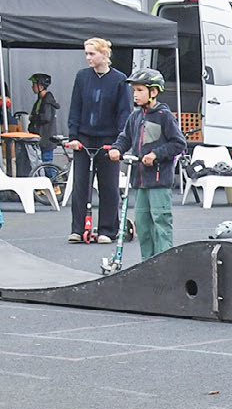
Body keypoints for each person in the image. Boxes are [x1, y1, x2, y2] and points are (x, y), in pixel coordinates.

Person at [108, 69, 186, 259]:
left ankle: (164, 263)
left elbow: (179, 143)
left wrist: (156, 154)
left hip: (158, 181)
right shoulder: (135, 116)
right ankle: (147, 263)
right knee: (142, 225)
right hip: (139, 181)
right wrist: (117, 148)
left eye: (140, 90)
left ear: (154, 92)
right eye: (134, 90)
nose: (135, 94)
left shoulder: (164, 116)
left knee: (161, 222)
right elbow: (125, 137)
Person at [64, 38, 131, 243]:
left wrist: (119, 143)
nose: (88, 58)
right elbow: (75, 107)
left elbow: (124, 113)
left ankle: (107, 230)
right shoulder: (82, 77)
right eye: (86, 54)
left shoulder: (119, 79)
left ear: (104, 54)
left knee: (108, 186)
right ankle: (78, 228)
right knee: (80, 185)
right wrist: (73, 137)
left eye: (92, 54)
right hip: (84, 139)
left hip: (109, 140)